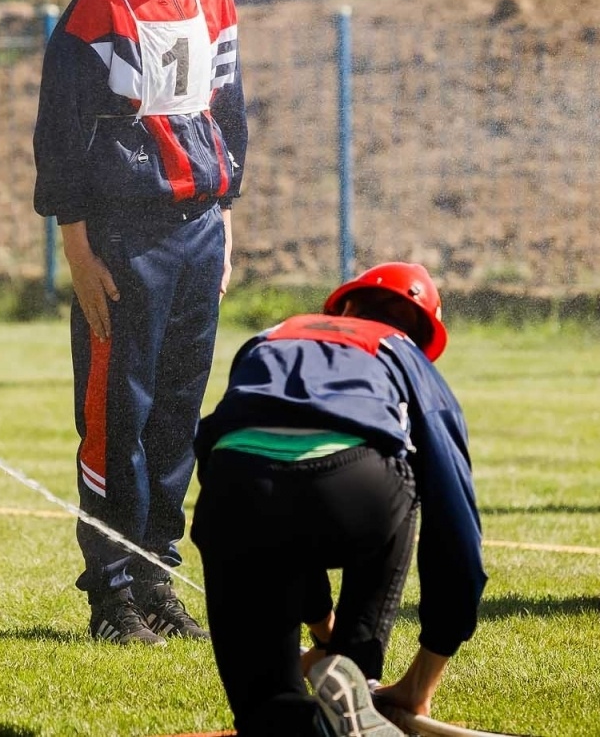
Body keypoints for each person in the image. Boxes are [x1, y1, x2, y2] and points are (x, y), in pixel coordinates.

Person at [32, 0, 247, 646]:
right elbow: (60, 138)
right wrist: (76, 246)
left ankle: (157, 579)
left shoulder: (218, 3)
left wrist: (225, 224)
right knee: (117, 417)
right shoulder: (99, 7)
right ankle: (112, 594)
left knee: (177, 419)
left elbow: (229, 122)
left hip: (199, 237)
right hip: (122, 243)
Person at [190, 262, 487, 736]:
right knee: (402, 469)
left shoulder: (271, 336)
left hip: (232, 499)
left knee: (267, 713)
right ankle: (353, 670)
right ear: (420, 330)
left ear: (345, 305)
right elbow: (454, 522)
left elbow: (240, 460)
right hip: (352, 493)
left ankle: (310, 696)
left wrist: (318, 625)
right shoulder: (402, 352)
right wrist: (419, 683)